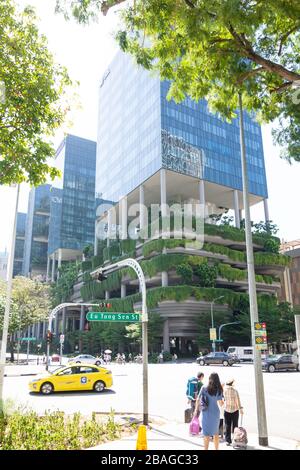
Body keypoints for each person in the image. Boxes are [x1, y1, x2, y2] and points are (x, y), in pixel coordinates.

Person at [198, 373, 224, 450]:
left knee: (206, 434)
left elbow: (198, 399)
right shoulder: (219, 389)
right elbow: (221, 403)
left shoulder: (204, 387)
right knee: (216, 434)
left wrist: (196, 411)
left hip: (206, 413)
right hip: (215, 413)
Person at [223, 378, 243, 446]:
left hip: (226, 410)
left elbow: (224, 399)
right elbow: (238, 401)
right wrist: (241, 409)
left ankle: (228, 441)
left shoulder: (224, 391)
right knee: (235, 426)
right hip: (235, 410)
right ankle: (235, 439)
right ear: (232, 384)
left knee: (227, 425)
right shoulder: (235, 391)